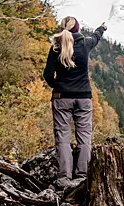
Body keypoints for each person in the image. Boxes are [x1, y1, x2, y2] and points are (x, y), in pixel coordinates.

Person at [43, 16, 106, 188]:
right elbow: (96, 36)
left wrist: (59, 87)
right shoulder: (85, 44)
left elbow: (48, 75)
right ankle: (82, 177)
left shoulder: (56, 48)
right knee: (84, 137)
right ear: (77, 29)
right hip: (84, 98)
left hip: (61, 98)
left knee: (62, 138)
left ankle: (64, 179)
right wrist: (101, 28)